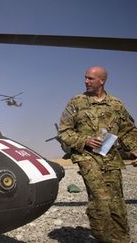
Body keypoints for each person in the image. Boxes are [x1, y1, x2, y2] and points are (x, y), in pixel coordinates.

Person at [58, 66, 137, 243]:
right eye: (85, 78)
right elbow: (64, 132)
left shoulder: (116, 104)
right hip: (87, 158)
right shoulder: (76, 102)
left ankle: (122, 240)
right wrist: (84, 140)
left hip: (111, 159)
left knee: (117, 203)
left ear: (102, 81)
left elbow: (128, 131)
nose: (86, 81)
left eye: (90, 79)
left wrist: (135, 151)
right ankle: (103, 239)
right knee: (100, 201)